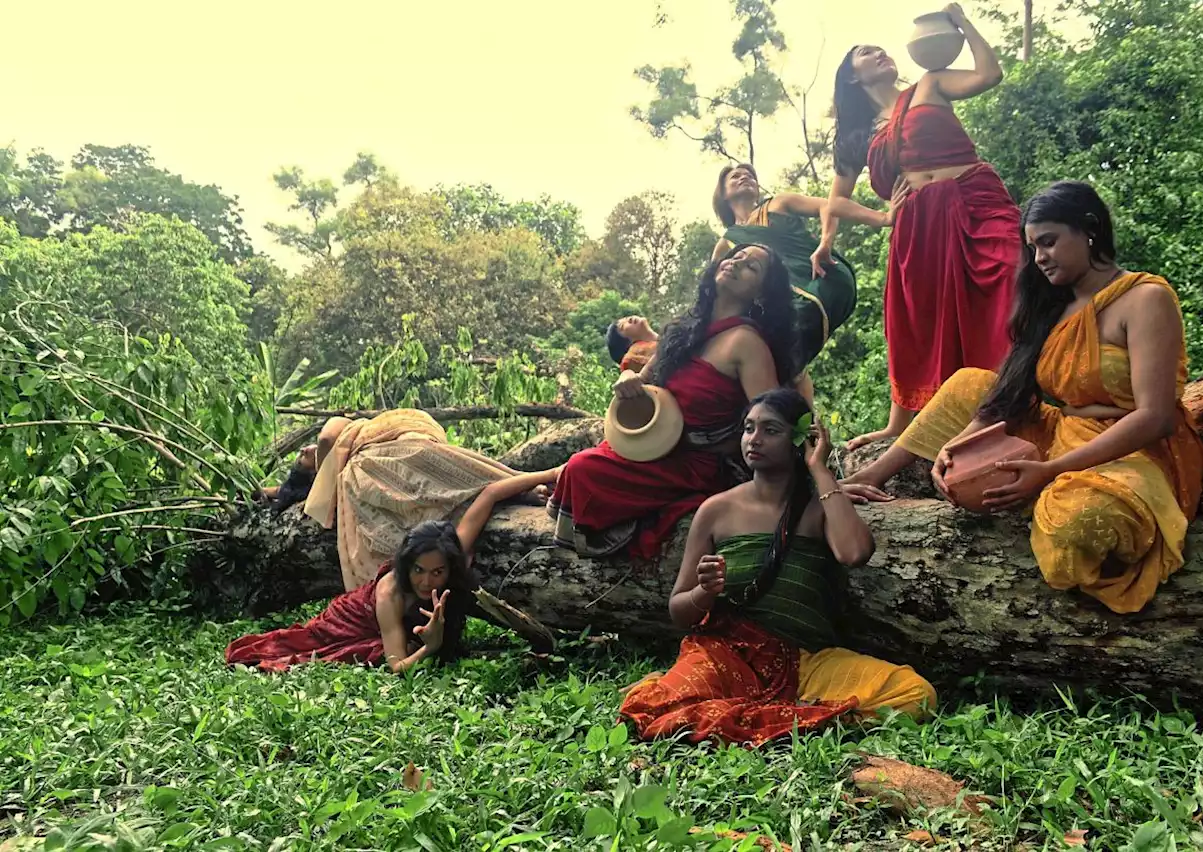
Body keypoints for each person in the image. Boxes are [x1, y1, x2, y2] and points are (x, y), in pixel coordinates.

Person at [845, 182, 1203, 613]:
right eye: (1033, 246)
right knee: (969, 382)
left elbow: (1155, 417)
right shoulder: (1051, 304)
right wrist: (954, 448)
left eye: (1050, 242)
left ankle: (1047, 493)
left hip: (1133, 448)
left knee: (1073, 532)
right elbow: (1009, 395)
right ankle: (871, 476)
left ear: (1090, 230)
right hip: (1061, 428)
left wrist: (1050, 469)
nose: (1040, 258)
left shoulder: (1145, 298)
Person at [619, 389, 935, 746]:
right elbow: (679, 612)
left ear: (801, 439)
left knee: (915, 694)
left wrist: (820, 470)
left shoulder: (820, 506)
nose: (754, 439)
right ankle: (798, 717)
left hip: (806, 663)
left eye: (770, 430)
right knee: (661, 710)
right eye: (748, 428)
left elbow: (854, 553)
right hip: (727, 654)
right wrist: (704, 592)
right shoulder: (716, 510)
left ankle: (786, 714)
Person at [813, 2, 1020, 450]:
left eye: (881, 49)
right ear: (852, 76)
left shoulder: (930, 83)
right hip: (917, 229)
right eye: (867, 53)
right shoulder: (857, 136)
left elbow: (990, 74)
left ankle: (1019, 396)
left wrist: (963, 23)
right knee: (916, 321)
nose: (881, 53)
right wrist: (870, 222)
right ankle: (900, 427)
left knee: (1013, 275)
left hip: (974, 201)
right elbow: (836, 201)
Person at [548, 245, 793, 559]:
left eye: (752, 267)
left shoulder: (747, 343)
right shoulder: (683, 329)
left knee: (584, 469)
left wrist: (809, 484)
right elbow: (645, 379)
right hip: (654, 449)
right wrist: (627, 380)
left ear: (761, 295)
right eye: (737, 255)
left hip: (698, 465)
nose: (736, 262)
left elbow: (775, 418)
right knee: (575, 467)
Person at [226, 467, 561, 672]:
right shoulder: (391, 594)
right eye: (418, 570)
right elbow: (396, 665)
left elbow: (489, 494)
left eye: (437, 572)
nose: (426, 580)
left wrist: (551, 475)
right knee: (337, 651)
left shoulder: (452, 551)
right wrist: (431, 645)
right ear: (405, 564)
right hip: (349, 620)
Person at [304, 409, 522, 590]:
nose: (305, 449)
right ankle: (521, 482)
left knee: (449, 482)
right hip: (409, 446)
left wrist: (324, 487)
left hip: (397, 448)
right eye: (303, 457)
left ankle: (524, 483)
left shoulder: (345, 427)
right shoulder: (359, 437)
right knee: (450, 483)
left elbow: (325, 439)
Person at [711, 163, 886, 381]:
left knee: (788, 334)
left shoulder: (778, 203)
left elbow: (828, 206)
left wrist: (826, 243)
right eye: (735, 177)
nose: (745, 177)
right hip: (781, 305)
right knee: (767, 345)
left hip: (823, 274)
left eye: (750, 175)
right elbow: (716, 295)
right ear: (723, 194)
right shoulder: (726, 243)